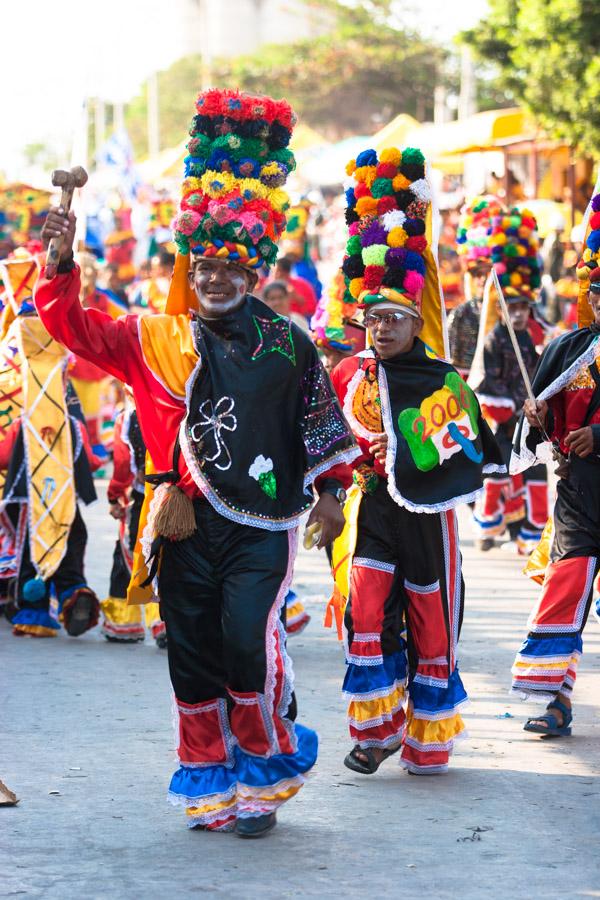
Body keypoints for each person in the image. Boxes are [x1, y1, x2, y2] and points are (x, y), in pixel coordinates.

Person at [37, 87, 359, 837]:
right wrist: (60, 262)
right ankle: (211, 781)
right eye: (203, 265)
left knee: (248, 638)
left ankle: (261, 773)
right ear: (191, 265)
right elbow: (75, 328)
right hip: (179, 522)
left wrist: (334, 493)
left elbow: (317, 418)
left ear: (253, 271)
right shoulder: (154, 337)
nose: (215, 278)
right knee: (192, 655)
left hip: (261, 522)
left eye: (229, 268)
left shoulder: (288, 343)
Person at [329, 145, 503, 775]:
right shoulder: (352, 374)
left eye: (394, 318)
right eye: (372, 317)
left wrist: (406, 446)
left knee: (430, 612)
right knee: (365, 605)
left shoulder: (440, 377)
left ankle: (427, 734)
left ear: (414, 322)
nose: (381, 327)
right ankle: (374, 731)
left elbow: (469, 444)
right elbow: (326, 435)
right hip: (371, 510)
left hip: (427, 516)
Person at [509, 198, 600, 737]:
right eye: (599, 290)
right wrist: (538, 416)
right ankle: (552, 698)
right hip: (580, 495)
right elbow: (539, 424)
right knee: (566, 591)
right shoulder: (568, 348)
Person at [0, 253, 100, 637]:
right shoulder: (61, 383)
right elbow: (80, 440)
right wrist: (90, 463)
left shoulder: (16, 379)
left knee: (31, 543)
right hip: (66, 486)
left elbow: (8, 449)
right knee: (70, 536)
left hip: (26, 487)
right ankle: (73, 589)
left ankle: (33, 609)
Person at [471, 207, 548, 554]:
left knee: (534, 475)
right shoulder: (494, 339)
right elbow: (489, 383)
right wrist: (511, 406)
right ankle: (488, 528)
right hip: (504, 423)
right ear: (502, 309)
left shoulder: (536, 335)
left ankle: (531, 534)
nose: (518, 313)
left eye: (523, 307)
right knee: (498, 475)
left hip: (532, 419)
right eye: (511, 307)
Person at [101, 402, 166, 647]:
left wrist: (115, 494)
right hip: (178, 492)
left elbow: (122, 462)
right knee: (169, 554)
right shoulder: (177, 400)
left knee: (130, 551)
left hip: (142, 495)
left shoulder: (129, 414)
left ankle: (124, 622)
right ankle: (166, 619)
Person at [449, 196, 506, 377]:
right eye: (477, 274)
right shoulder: (460, 313)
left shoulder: (507, 312)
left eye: (487, 273)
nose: (482, 280)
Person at [273, 256, 317, 320]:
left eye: (274, 271)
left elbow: (311, 310)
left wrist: (296, 297)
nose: (272, 274)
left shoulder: (302, 285)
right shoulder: (270, 286)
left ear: (282, 272)